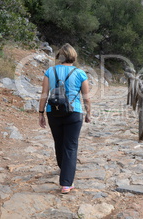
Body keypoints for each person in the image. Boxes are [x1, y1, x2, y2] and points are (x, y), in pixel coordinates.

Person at [38, 43, 91, 194]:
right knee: (71, 146)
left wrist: (41, 113)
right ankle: (66, 183)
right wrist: (88, 114)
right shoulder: (80, 73)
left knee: (59, 143)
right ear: (74, 56)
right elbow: (86, 98)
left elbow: (44, 94)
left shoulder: (50, 71)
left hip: (53, 111)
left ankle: (64, 169)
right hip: (74, 113)